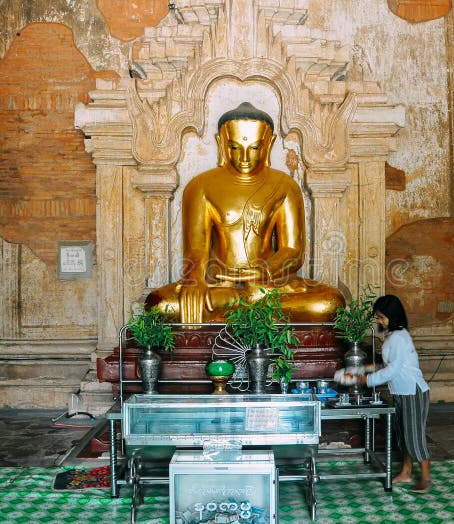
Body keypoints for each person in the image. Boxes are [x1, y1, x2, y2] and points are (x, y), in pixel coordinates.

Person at [145, 102, 345, 323]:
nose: (244, 158)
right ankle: (243, 304)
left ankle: (233, 304)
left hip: (269, 286)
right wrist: (196, 281)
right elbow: (196, 249)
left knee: (330, 302)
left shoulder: (285, 185)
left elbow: (293, 250)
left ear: (269, 144)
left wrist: (266, 270)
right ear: (221, 143)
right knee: (159, 304)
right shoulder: (200, 186)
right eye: (235, 147)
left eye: (254, 148)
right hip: (220, 283)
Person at [335, 294, 432, 493]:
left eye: (381, 317)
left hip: (412, 391)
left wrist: (365, 380)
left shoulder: (398, 337)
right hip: (401, 391)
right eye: (378, 317)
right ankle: (406, 472)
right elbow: (388, 364)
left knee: (414, 436)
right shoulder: (394, 336)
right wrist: (366, 368)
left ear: (393, 316)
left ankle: (425, 478)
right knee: (404, 435)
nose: (379, 321)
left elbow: (393, 370)